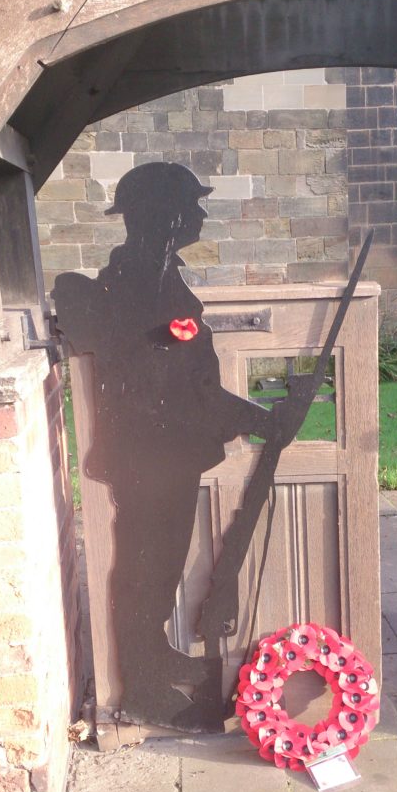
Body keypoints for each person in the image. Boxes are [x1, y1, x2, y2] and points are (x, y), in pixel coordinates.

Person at [53, 162, 272, 731]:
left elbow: (184, 379)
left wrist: (251, 417)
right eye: (191, 206)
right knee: (145, 566)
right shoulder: (140, 282)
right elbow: (181, 386)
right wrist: (257, 420)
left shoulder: (158, 272)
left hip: (164, 449)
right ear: (167, 216)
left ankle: (151, 653)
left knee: (160, 561)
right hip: (150, 451)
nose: (200, 214)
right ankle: (145, 686)